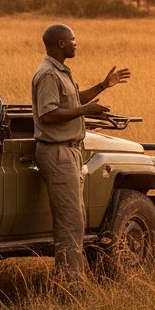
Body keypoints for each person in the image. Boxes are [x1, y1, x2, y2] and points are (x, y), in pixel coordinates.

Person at [31, 24, 130, 285]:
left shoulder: (60, 72)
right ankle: (70, 283)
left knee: (75, 219)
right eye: (72, 39)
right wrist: (85, 110)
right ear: (61, 43)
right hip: (57, 152)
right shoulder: (48, 75)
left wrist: (102, 86)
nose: (76, 43)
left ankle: (72, 279)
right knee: (70, 223)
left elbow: (73, 103)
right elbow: (48, 114)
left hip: (69, 152)